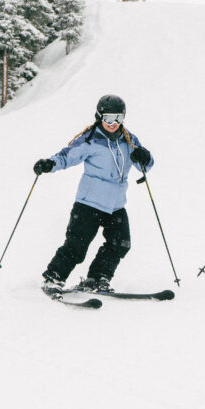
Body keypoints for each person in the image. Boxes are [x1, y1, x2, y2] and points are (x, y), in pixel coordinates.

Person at [35, 94, 154, 292]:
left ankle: (97, 278)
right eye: (108, 118)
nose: (113, 123)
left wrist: (145, 157)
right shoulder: (90, 139)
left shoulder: (129, 139)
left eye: (118, 118)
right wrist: (49, 164)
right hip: (89, 203)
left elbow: (144, 166)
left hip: (116, 205)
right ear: (99, 117)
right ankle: (53, 278)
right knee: (76, 246)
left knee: (121, 244)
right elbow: (66, 157)